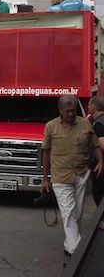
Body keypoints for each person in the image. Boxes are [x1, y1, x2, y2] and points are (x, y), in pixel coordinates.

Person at [42, 95, 103, 259]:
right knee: (68, 213)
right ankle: (77, 252)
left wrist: (101, 162)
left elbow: (95, 144)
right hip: (61, 177)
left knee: (77, 213)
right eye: (68, 111)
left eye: (73, 111)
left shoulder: (85, 123)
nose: (71, 114)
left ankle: (69, 244)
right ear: (60, 110)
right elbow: (46, 153)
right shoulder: (51, 127)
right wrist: (45, 179)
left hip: (81, 174)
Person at [88, 96, 104, 207]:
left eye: (89, 104)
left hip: (100, 167)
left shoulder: (99, 124)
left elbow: (102, 145)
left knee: (99, 193)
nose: (88, 107)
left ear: (93, 106)